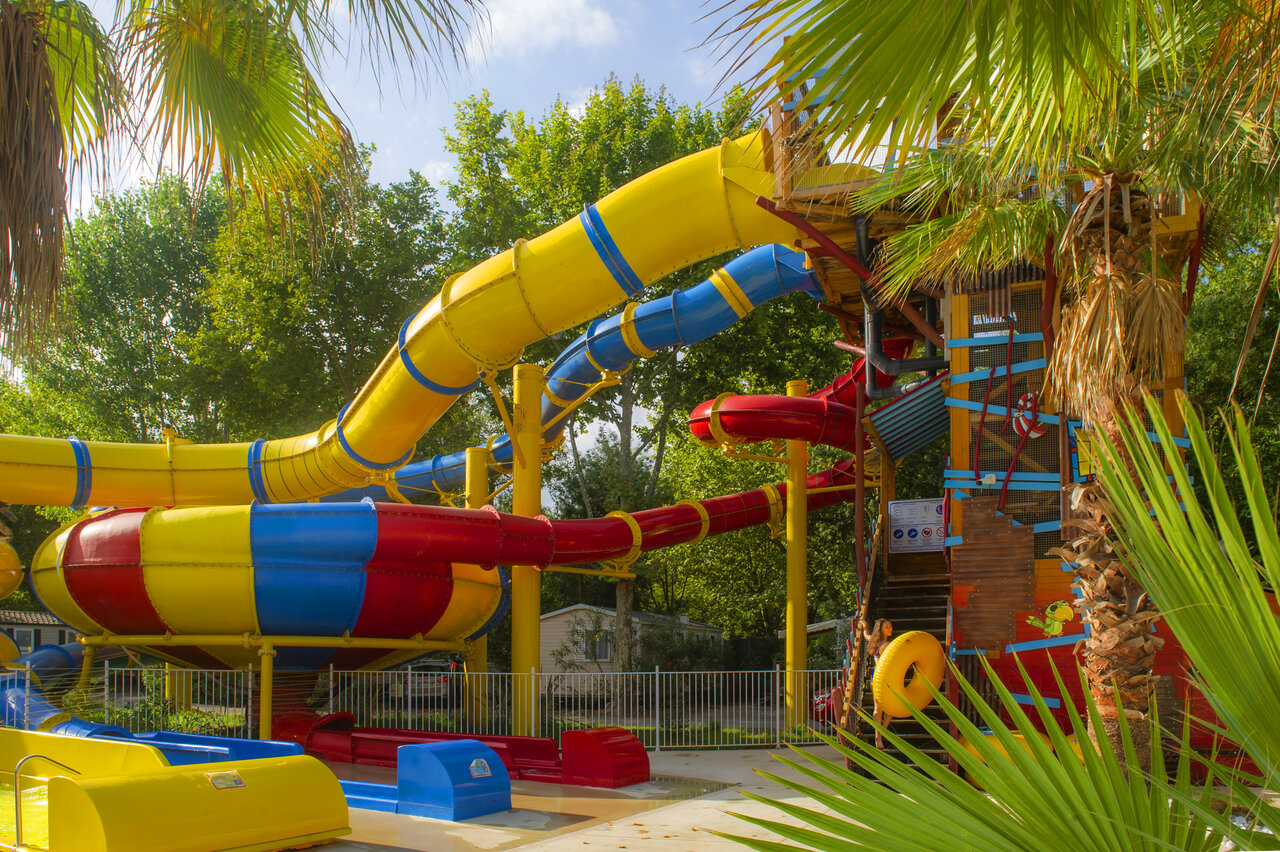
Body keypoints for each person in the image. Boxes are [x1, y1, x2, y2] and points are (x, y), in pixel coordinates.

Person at [861, 617, 894, 748]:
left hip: (875, 676)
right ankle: (881, 734)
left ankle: (878, 737)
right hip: (885, 677)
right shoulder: (887, 645)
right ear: (881, 630)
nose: (890, 629)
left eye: (890, 626)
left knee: (878, 708)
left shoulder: (874, 642)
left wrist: (864, 626)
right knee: (890, 709)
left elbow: (866, 635)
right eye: (887, 627)